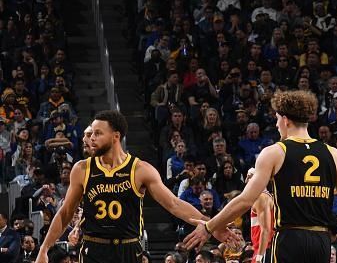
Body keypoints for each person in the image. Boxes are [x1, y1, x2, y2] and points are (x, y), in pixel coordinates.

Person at [184, 90, 337, 263]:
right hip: (321, 241)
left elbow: (245, 200)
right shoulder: (333, 154)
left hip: (289, 238)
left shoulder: (275, 152)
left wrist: (209, 226)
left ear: (285, 119)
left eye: (277, 119)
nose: (276, 125)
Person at [35, 110, 233, 263]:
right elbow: (65, 213)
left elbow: (174, 204)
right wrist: (44, 249)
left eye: (97, 133)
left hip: (128, 249)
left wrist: (210, 225)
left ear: (115, 136)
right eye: (90, 133)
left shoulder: (140, 169)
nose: (91, 138)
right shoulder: (82, 169)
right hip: (93, 248)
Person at [246, 168, 274, 263]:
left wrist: (260, 256)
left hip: (265, 249)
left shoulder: (261, 197)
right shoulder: (263, 197)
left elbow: (266, 230)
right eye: (246, 177)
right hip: (262, 247)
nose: (246, 181)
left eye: (250, 177)